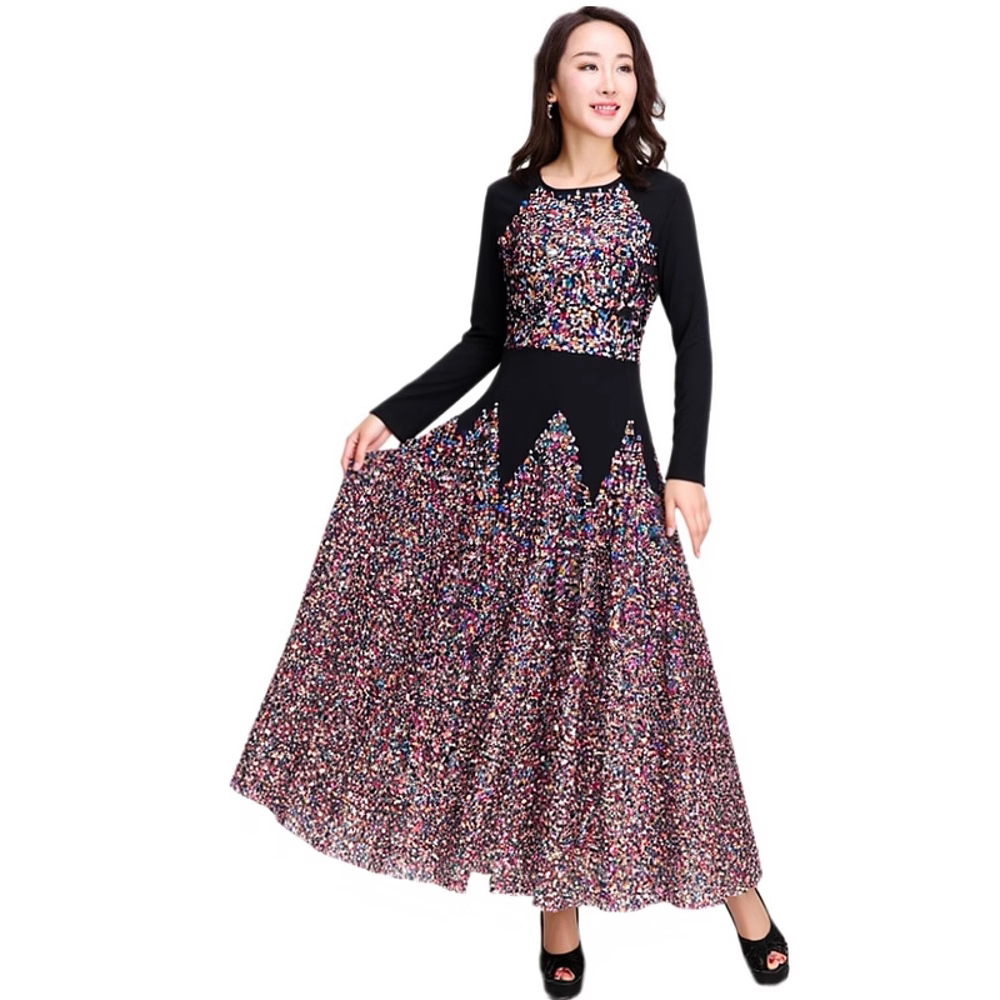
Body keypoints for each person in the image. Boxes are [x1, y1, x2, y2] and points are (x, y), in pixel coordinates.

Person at [230, 4, 789, 993]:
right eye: (589, 64)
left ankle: (742, 897)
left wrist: (689, 466)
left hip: (615, 478)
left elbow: (695, 340)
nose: (608, 82)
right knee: (531, 693)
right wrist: (395, 414)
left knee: (659, 695)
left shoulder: (662, 200)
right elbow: (485, 340)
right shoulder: (508, 199)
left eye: (624, 66)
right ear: (552, 85)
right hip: (510, 478)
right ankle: (556, 916)